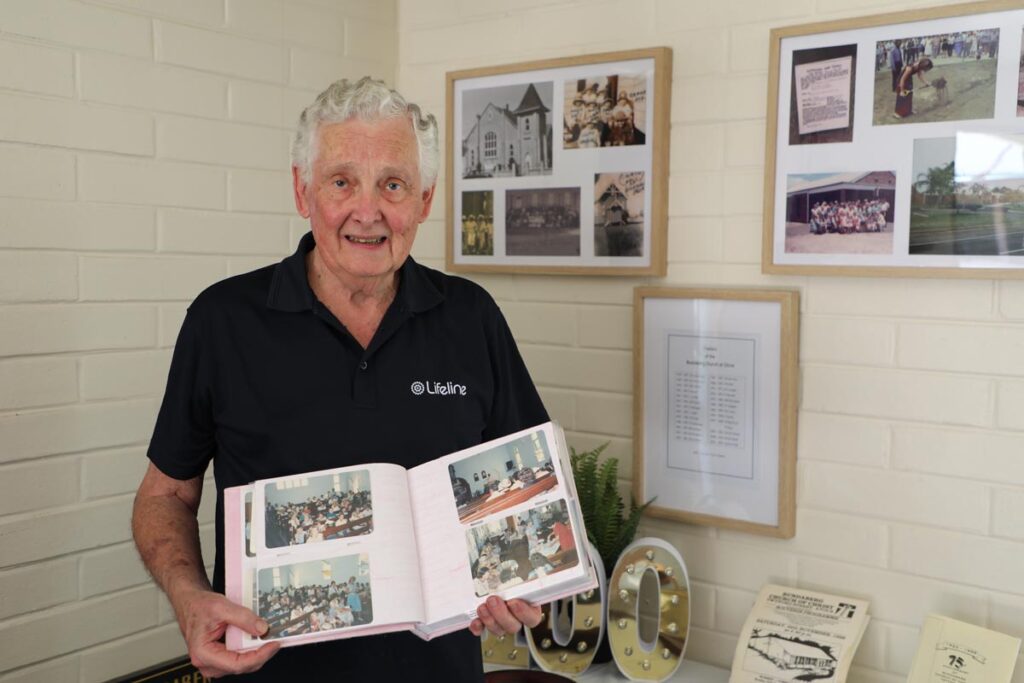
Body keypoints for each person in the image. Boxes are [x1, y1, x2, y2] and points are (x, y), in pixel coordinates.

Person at [132, 77, 547, 681]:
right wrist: (188, 598)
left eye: (394, 185)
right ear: (303, 191)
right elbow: (164, 495)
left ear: (425, 200)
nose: (368, 211)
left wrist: (524, 581)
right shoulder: (222, 321)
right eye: (342, 181)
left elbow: (530, 489)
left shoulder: (471, 317)